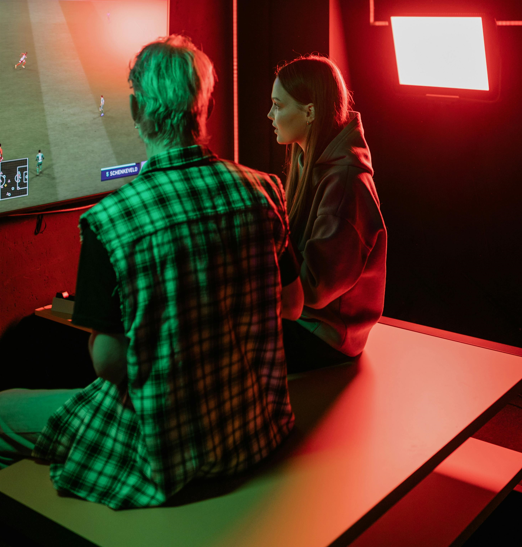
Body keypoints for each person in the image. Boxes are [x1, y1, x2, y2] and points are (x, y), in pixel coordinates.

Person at [0, 35, 301, 509]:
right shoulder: (265, 189)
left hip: (165, 453)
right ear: (206, 108)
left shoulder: (110, 220)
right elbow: (294, 304)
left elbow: (108, 364)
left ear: (137, 111)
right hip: (256, 430)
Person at [267, 55, 387, 374]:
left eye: (278, 105)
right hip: (303, 317)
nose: (270, 114)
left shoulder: (346, 184)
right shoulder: (306, 158)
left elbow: (316, 288)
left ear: (309, 112)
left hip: (326, 336)